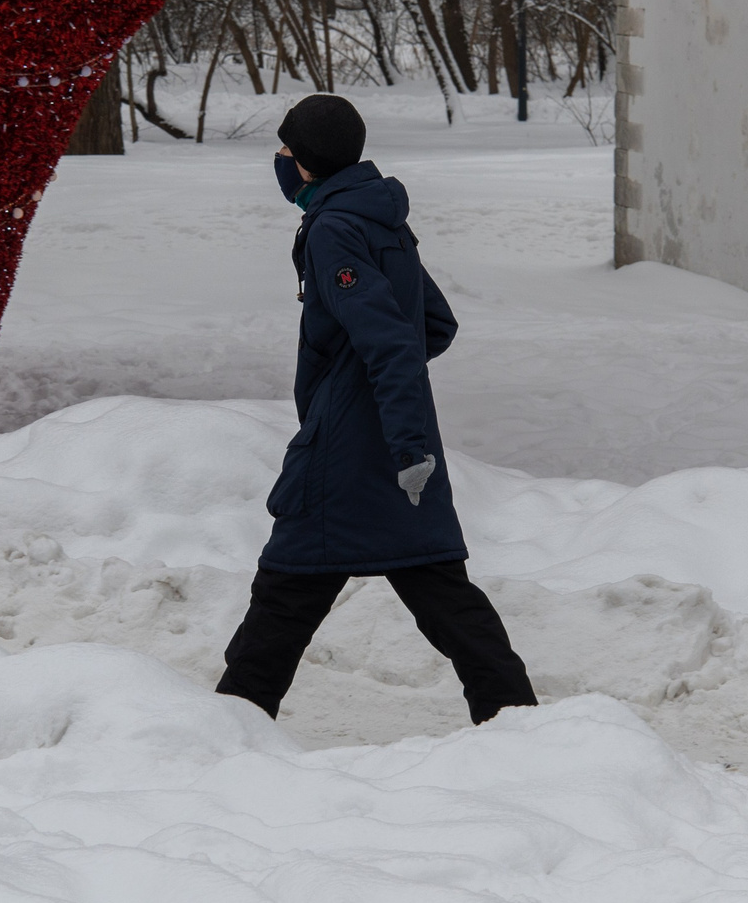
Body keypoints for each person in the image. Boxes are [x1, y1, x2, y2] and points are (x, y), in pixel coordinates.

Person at [215, 93, 539, 726]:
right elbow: (434, 325)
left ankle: (227, 731)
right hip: (386, 435)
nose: (279, 158)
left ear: (307, 161)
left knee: (286, 591)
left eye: (286, 147)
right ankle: (518, 723)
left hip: (348, 445)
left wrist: (400, 436)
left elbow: (394, 340)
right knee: (439, 589)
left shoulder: (334, 228)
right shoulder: (378, 214)